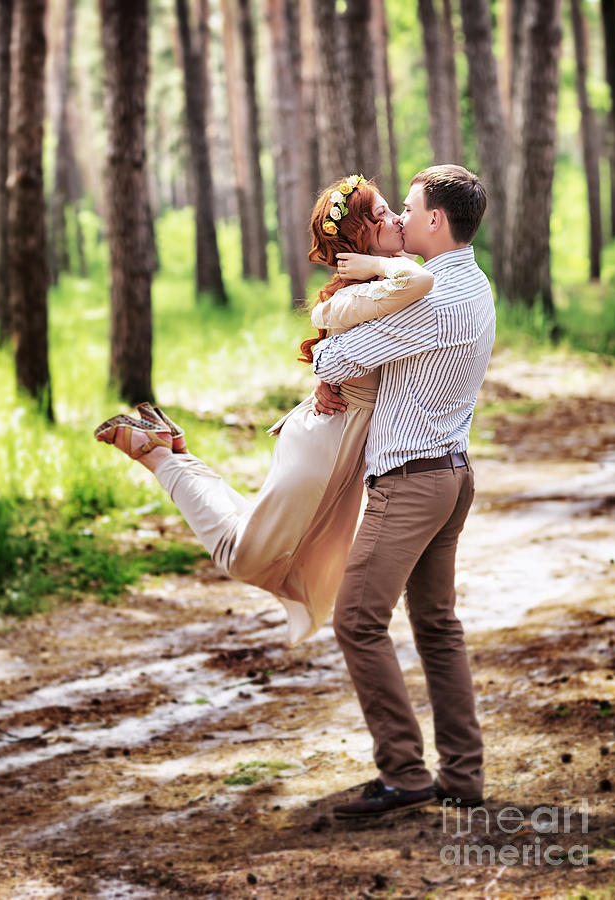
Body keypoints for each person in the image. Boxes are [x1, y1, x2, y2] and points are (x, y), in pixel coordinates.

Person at [94, 175, 434, 647]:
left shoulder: (386, 279)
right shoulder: (362, 292)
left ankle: (170, 451)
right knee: (242, 557)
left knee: (258, 536)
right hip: (324, 450)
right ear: (360, 238)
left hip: (334, 441)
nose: (398, 219)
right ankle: (161, 458)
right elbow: (412, 284)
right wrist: (375, 268)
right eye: (382, 215)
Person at [311, 164, 496, 819]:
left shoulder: (434, 298)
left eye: (409, 209)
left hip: (411, 482)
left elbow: (332, 359)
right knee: (437, 627)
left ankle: (404, 772)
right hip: (449, 474)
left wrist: (344, 316)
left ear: (436, 221)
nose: (398, 220)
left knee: (356, 621)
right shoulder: (470, 284)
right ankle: (463, 776)